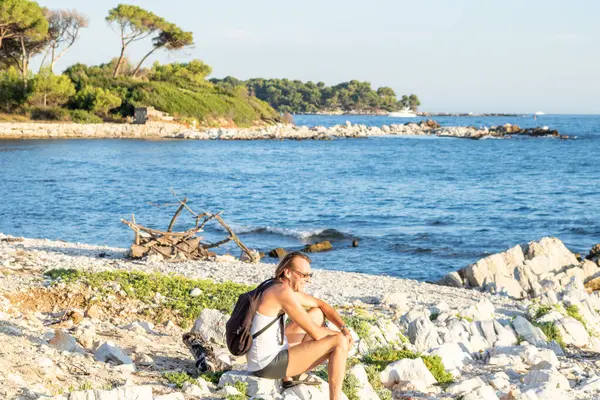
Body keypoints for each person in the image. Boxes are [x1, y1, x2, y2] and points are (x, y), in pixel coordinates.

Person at [246, 251, 353, 400]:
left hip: (261, 358)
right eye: (304, 275)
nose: (308, 280)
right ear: (288, 272)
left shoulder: (273, 285)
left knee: (316, 313)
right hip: (267, 365)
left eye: (310, 275)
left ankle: (291, 374)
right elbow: (316, 333)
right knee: (339, 342)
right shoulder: (282, 293)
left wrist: (344, 328)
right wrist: (343, 337)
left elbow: (321, 304)